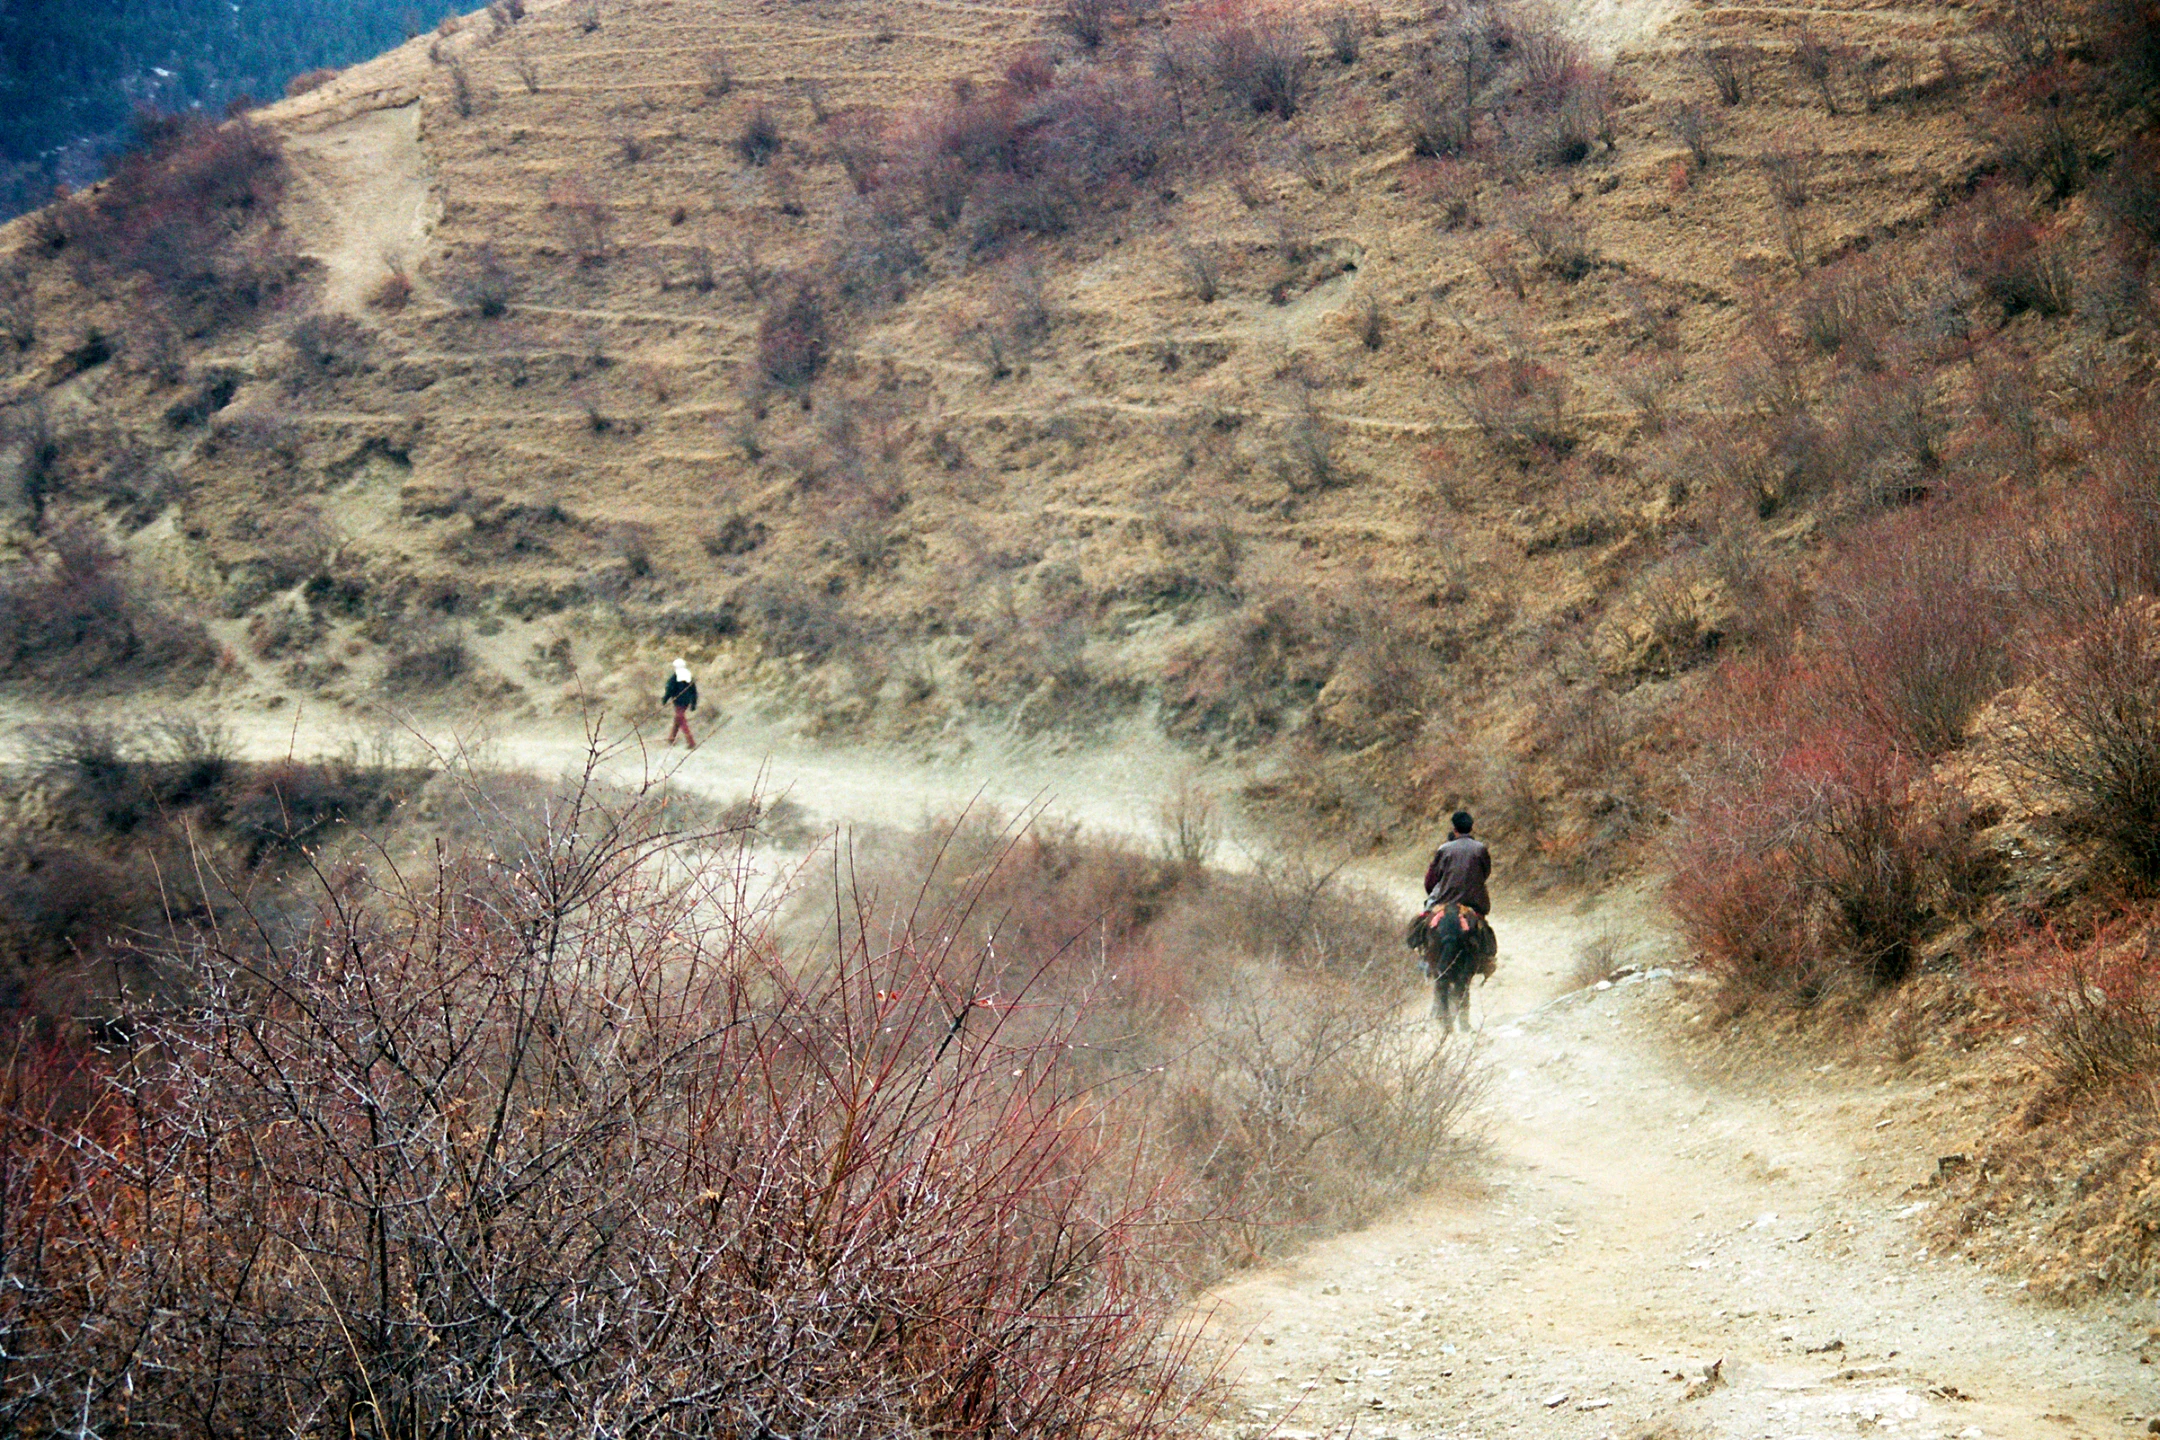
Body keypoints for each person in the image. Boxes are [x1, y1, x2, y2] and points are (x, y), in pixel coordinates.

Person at [1423, 810, 1491, 917]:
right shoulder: (1481, 849)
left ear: (1454, 830)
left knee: (1418, 927)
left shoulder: (1444, 849)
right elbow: (1486, 873)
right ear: (1471, 829)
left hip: (1445, 902)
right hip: (1475, 903)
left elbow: (1432, 880)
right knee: (1486, 931)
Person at [663, 657, 698, 749]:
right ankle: (671, 738)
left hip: (678, 702)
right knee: (678, 718)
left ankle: (691, 742)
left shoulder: (674, 677)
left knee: (682, 720)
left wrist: (665, 700)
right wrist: (693, 703)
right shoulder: (689, 676)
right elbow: (694, 691)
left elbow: (669, 690)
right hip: (686, 702)